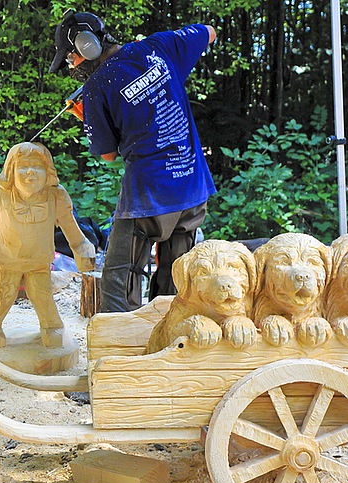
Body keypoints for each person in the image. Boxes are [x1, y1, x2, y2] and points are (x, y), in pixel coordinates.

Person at [48, 10, 217, 312]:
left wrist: (86, 113)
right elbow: (209, 31)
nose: (71, 65)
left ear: (87, 45)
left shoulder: (97, 86)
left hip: (150, 192)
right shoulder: (160, 46)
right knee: (176, 275)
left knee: (119, 275)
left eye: (71, 57)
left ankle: (117, 347)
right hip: (193, 186)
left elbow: (108, 154)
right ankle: (169, 338)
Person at [0, 142, 96, 349]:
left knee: (43, 298)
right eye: (22, 166)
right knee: (2, 298)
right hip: (6, 262)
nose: (30, 172)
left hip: (39, 262)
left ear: (48, 171)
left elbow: (72, 229)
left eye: (37, 166)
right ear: (10, 171)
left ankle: (52, 329)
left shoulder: (56, 197)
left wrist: (82, 248)